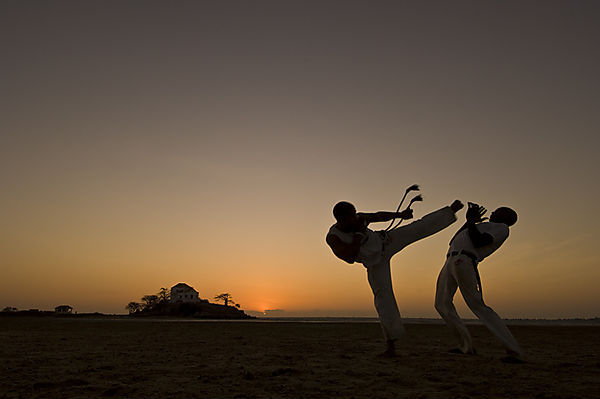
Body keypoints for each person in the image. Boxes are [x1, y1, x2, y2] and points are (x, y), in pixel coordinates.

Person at [326, 199, 464, 356]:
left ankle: (449, 211)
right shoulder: (333, 237)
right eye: (350, 217)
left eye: (354, 214)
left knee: (415, 228)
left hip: (387, 241)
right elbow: (350, 257)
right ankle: (391, 346)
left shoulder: (359, 218)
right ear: (340, 219)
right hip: (375, 263)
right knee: (383, 299)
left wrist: (400, 215)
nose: (354, 218)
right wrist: (358, 235)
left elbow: (378, 216)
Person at [434, 202, 524, 363]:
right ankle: (465, 346)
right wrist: (471, 221)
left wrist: (470, 222)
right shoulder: (482, 225)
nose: (494, 211)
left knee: (477, 305)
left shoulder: (502, 228)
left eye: (498, 210)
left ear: (506, 217)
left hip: (464, 260)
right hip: (450, 260)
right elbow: (453, 240)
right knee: (441, 303)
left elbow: (479, 242)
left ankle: (513, 350)